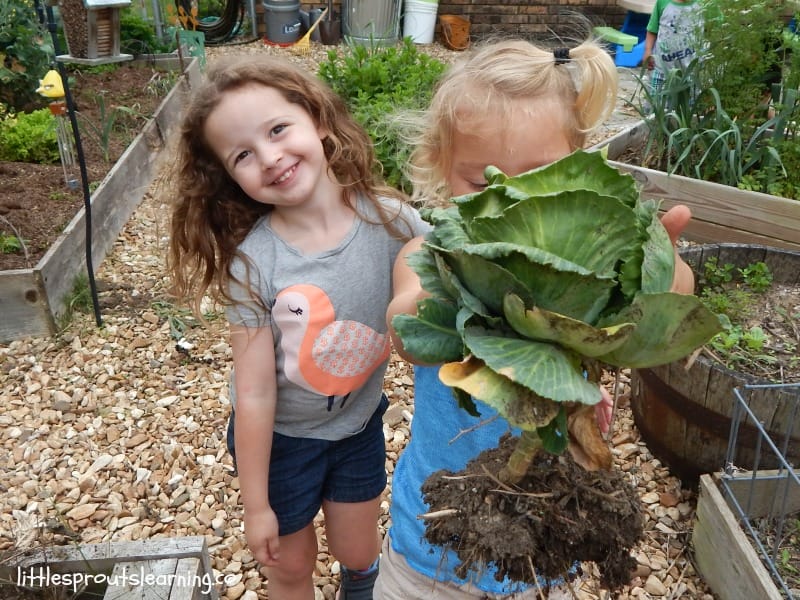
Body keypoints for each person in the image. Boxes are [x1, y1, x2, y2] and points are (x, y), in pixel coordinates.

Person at [379, 39, 696, 600]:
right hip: (436, 534)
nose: (512, 200)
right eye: (482, 182)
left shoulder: (604, 257)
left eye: (541, 179)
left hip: (547, 537)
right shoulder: (430, 255)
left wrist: (660, 269)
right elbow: (408, 327)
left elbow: (679, 299)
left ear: (583, 169)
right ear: (440, 171)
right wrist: (453, 299)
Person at [167, 55, 430, 600]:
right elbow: (256, 392)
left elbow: (448, 270)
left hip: (357, 426)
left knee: (359, 552)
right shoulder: (253, 264)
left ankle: (360, 588)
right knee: (289, 566)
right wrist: (255, 504)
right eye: (243, 154)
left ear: (319, 120)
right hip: (282, 441)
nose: (270, 156)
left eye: (278, 129)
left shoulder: (392, 222)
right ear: (228, 176)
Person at [642, 0, 705, 96]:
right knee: (656, 103)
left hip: (692, 69)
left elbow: (717, 29)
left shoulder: (705, 3)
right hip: (662, 68)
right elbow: (652, 29)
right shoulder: (663, 2)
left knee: (691, 105)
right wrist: (647, 51)